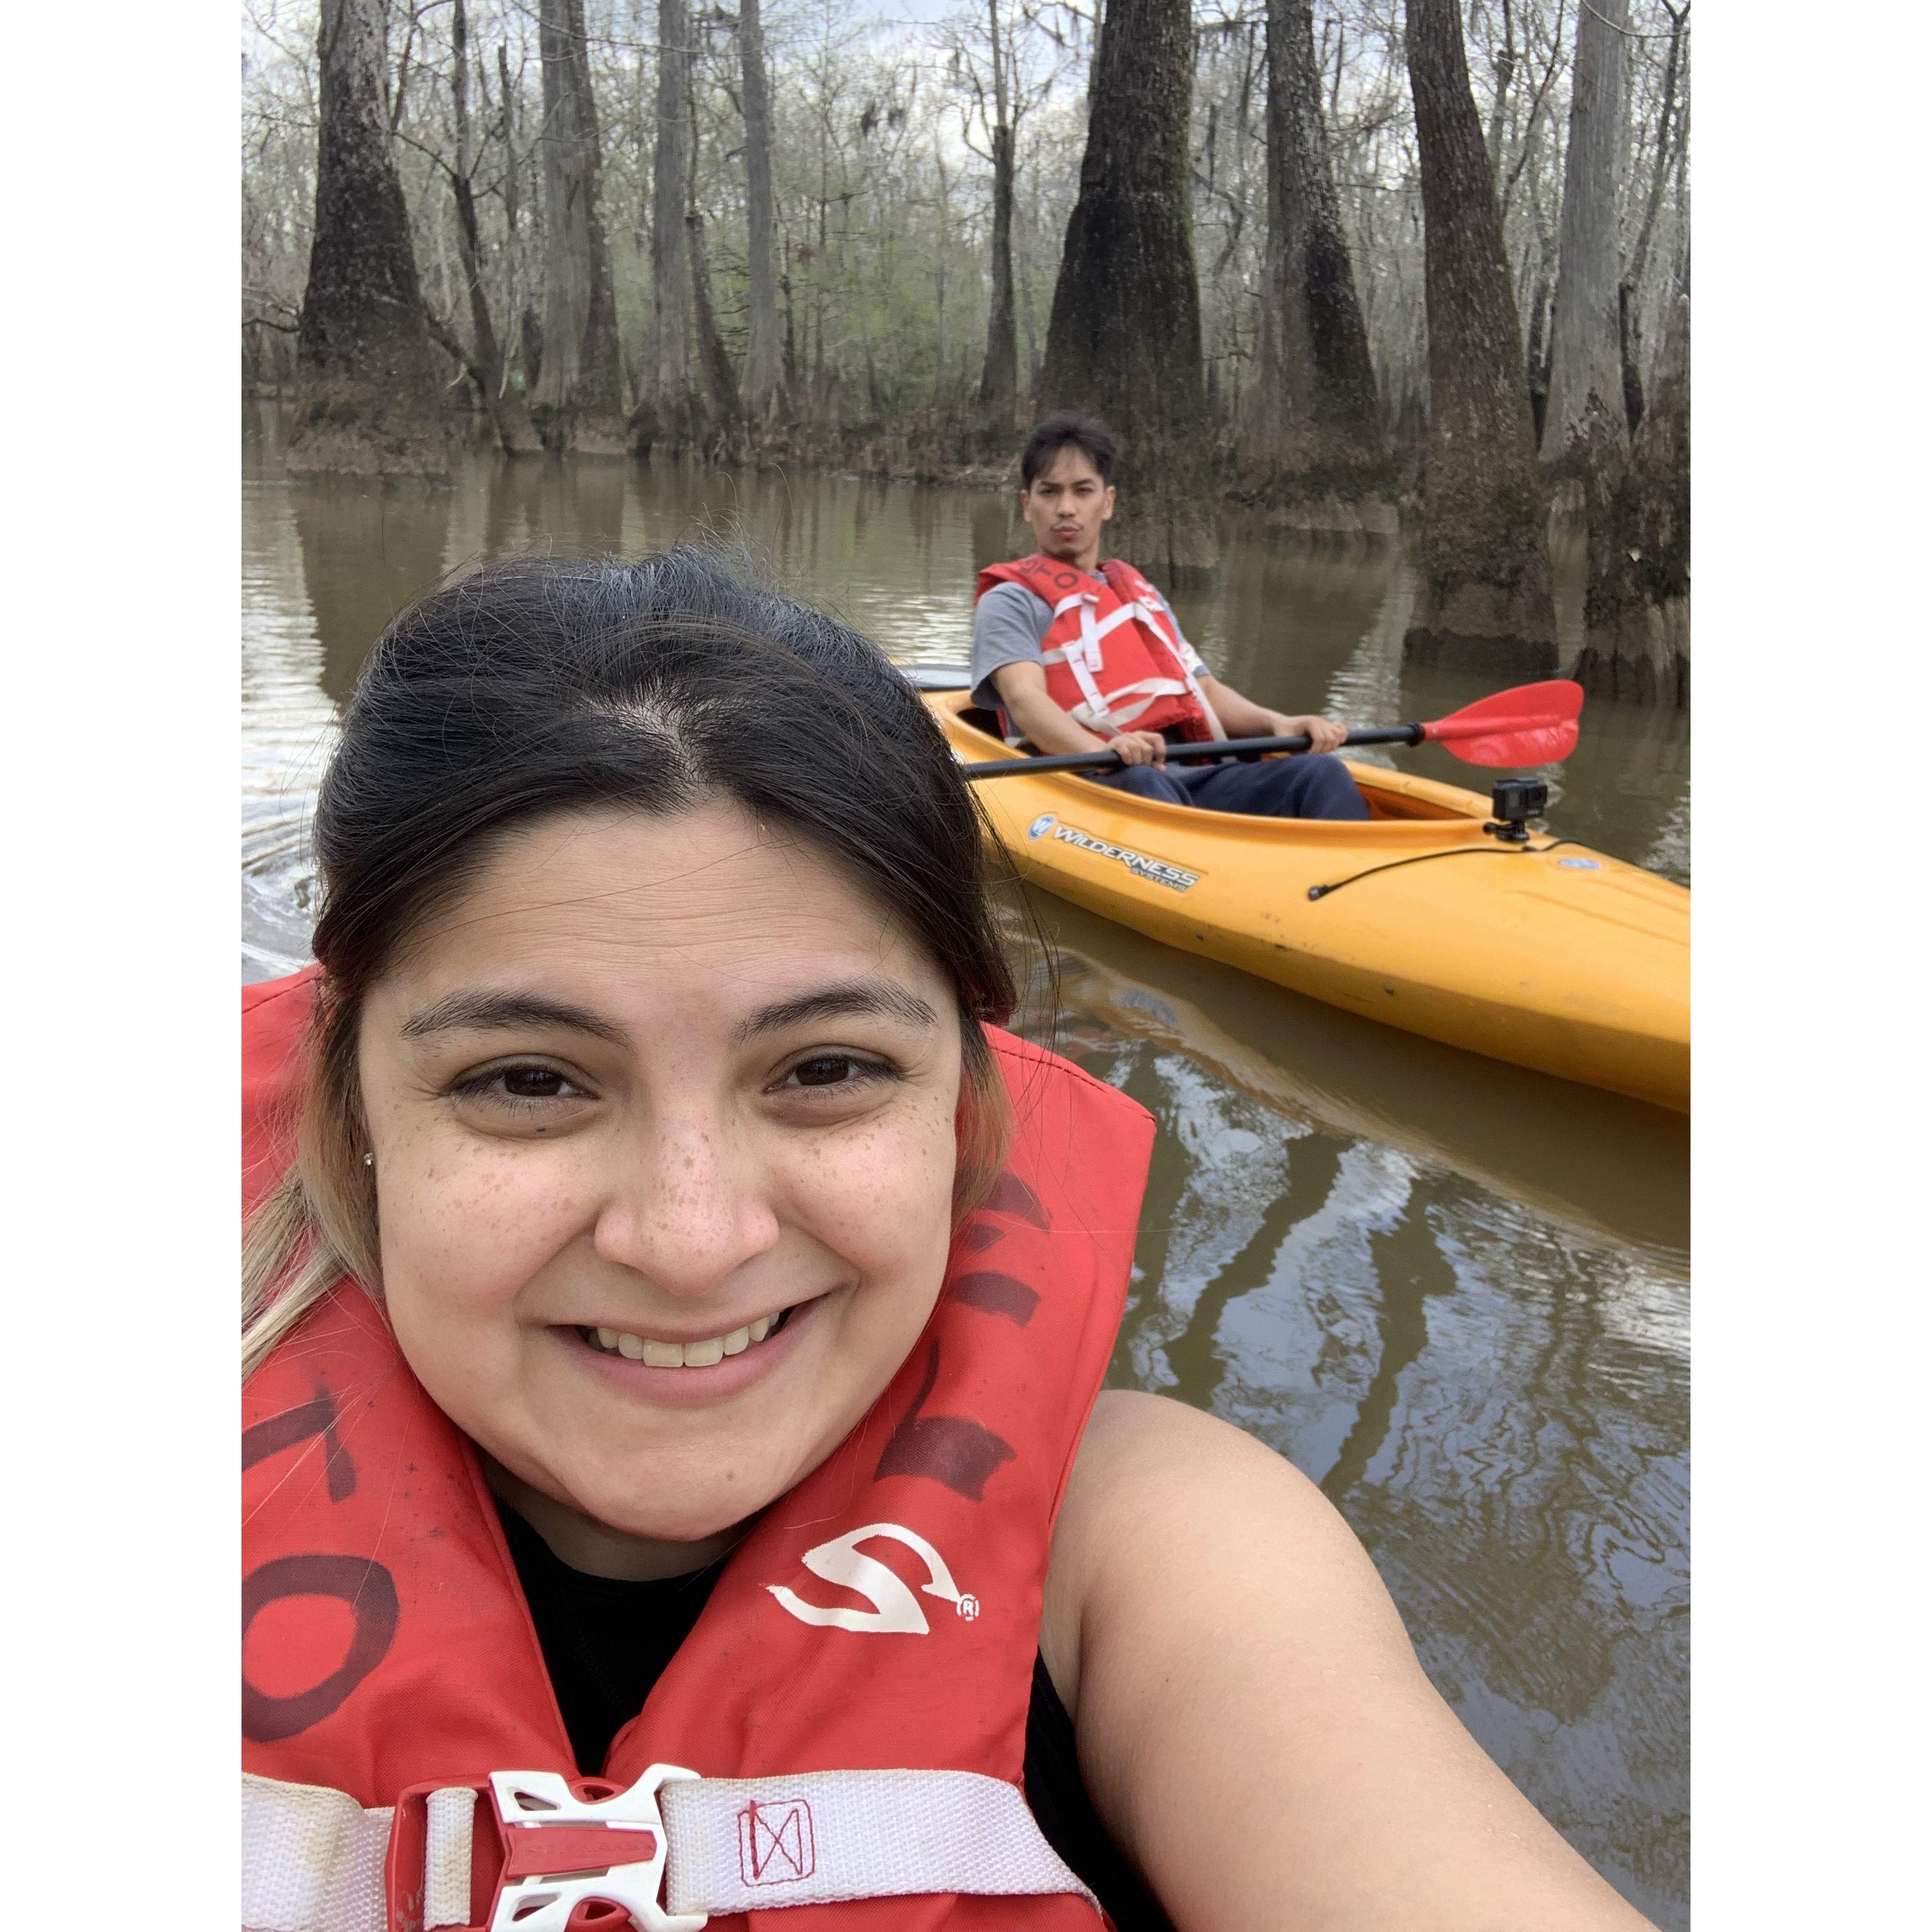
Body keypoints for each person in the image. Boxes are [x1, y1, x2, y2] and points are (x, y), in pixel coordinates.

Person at [241, 549, 1653, 1932]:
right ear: (348, 1096)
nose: (689, 1239)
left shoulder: (1152, 1553)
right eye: (529, 1080)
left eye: (825, 1068)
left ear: (968, 1103)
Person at [972, 413, 1370, 821]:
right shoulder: (1010, 601)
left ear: (1107, 502)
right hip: (1089, 778)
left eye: (1083, 491)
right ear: (1027, 505)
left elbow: (1204, 689)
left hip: (1182, 770)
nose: (1066, 508)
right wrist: (1103, 752)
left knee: (1321, 773)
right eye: (1049, 492)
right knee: (1142, 782)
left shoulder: (1139, 595)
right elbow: (1024, 699)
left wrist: (1277, 724)